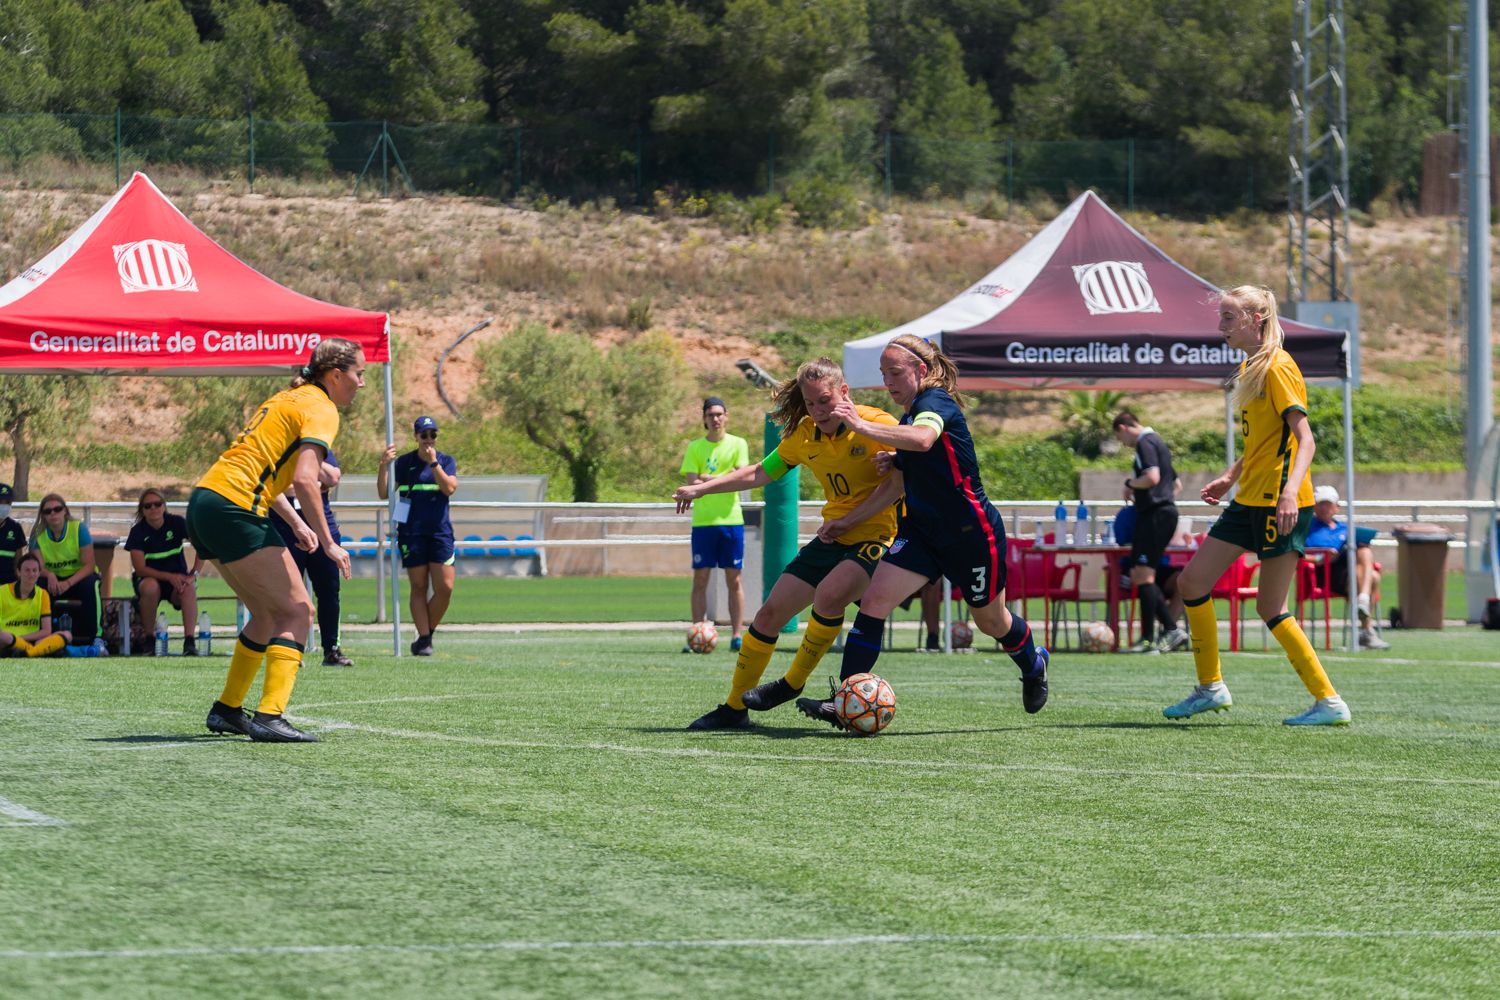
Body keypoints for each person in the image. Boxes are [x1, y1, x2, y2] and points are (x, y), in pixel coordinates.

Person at [796, 334, 1050, 728]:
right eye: (883, 374)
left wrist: (862, 424)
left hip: (970, 535)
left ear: (922, 370)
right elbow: (896, 486)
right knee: (873, 603)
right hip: (922, 534)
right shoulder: (907, 416)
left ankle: (1033, 665)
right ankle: (844, 700)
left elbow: (925, 437)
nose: (889, 382)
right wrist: (849, 520)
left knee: (991, 622)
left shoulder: (935, 404)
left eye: (895, 373)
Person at [673, 359, 900, 730]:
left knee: (829, 595)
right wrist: (702, 488)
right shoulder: (805, 434)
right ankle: (734, 709)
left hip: (877, 537)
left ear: (844, 392)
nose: (818, 410)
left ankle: (791, 683)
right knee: (768, 615)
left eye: (824, 400)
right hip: (833, 535)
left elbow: (912, 469)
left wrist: (894, 459)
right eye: (810, 404)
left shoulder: (879, 425)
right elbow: (761, 472)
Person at [1168, 285, 1351, 726]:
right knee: (1191, 583)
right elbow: (1267, 441)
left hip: (1280, 502)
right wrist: (1232, 475)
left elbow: (1304, 439)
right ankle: (1210, 688)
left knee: (1270, 607)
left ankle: (1329, 702)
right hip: (1250, 499)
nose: (1220, 326)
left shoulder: (1278, 366)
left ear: (1256, 319)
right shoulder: (1251, 365)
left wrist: (1290, 492)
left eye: (1229, 318)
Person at [189, 338, 364, 743]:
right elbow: (305, 479)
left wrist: (297, 524)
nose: (362, 383)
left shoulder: (287, 398)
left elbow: (267, 476)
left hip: (205, 502)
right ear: (335, 376)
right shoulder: (321, 407)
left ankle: (228, 708)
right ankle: (270, 716)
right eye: (359, 374)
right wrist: (328, 541)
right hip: (235, 508)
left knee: (267, 614)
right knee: (299, 611)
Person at [378, 415, 459, 656]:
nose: (428, 439)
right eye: (423, 435)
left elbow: (450, 488)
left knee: (445, 587)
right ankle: (424, 640)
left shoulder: (446, 460)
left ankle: (427, 632)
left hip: (440, 533)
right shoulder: (404, 463)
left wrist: (435, 465)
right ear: (416, 437)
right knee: (419, 585)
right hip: (412, 533)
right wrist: (383, 465)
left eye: (432, 434)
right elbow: (384, 493)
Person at [678, 396, 750, 651]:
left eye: (719, 414)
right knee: (700, 580)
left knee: (735, 581)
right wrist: (721, 479)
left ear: (726, 416)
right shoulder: (695, 447)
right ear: (704, 419)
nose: (715, 419)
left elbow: (740, 478)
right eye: (711, 415)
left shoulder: (738, 444)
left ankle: (737, 635)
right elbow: (691, 482)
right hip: (704, 523)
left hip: (731, 522)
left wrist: (707, 479)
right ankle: (699, 630)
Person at [271, 452, 354, 665]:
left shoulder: (317, 447)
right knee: (288, 593)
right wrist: (309, 484)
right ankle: (289, 650)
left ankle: (331, 650)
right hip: (285, 528)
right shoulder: (277, 447)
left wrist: (308, 460)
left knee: (329, 591)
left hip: (323, 528)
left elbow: (333, 478)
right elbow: (276, 487)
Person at [1112, 411, 1185, 654]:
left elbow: (1152, 477)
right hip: (1163, 513)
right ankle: (1154, 636)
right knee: (1142, 574)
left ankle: (1165, 632)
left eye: (1120, 437)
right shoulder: (1159, 442)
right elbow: (1176, 484)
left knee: (1142, 575)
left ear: (1124, 427)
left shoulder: (1145, 442)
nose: (1123, 443)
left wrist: (1130, 484)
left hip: (1155, 515)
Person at [1308, 484, 1390, 650]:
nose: (1325, 508)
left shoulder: (1345, 529)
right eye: (1321, 504)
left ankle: (1363, 601)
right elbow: (1297, 554)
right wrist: (1319, 558)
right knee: (1372, 576)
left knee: (1365, 552)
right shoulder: (1307, 528)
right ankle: (1366, 629)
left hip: (1348, 572)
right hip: (1322, 574)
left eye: (1328, 504)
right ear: (1314, 506)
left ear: (1336, 507)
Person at [125, 488, 203, 656]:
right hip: (150, 579)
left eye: (157, 504)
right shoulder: (138, 531)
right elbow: (140, 568)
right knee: (150, 587)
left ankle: (189, 641)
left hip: (177, 581)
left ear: (164, 506)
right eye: (148, 506)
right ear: (142, 510)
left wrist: (193, 574)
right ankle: (149, 639)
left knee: (189, 587)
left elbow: (202, 546)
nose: (153, 509)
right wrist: (169, 576)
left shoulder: (176, 523)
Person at [1111, 503, 1188, 652]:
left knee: (1182, 581)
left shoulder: (1162, 514)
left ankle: (1168, 632)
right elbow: (1121, 541)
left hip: (1158, 566)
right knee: (1144, 576)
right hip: (1132, 567)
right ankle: (1164, 631)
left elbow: (1174, 484)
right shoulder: (1127, 515)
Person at [30, 492, 101, 646]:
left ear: (65, 511)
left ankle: (96, 637)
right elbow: (36, 567)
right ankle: (45, 636)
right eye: (48, 511)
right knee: (38, 586)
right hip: (53, 580)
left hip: (78, 578)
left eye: (57, 509)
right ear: (43, 515)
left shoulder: (78, 529)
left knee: (91, 585)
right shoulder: (37, 534)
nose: (53, 513)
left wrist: (68, 583)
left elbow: (89, 565)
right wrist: (49, 575)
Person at [0, 552, 70, 657]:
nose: (31, 574)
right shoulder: (2, 591)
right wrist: (15, 638)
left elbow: (46, 631)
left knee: (67, 635)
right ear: (19, 572)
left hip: (31, 640)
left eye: (34, 570)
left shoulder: (43, 594)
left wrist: (21, 639)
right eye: (27, 570)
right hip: (7, 640)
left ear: (38, 573)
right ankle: (36, 651)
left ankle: (28, 653)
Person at [0, 483, 26, 589]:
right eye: (0, 501)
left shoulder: (15, 528)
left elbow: (18, 558)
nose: (3, 506)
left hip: (9, 584)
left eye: (7, 502)